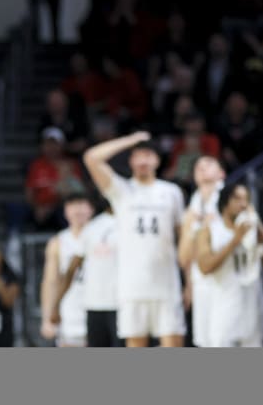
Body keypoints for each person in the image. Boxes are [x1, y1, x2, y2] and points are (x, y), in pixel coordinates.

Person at [84, 132, 186, 347]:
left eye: (148, 155)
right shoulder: (122, 190)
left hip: (167, 284)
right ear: (130, 160)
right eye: (138, 156)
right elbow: (92, 157)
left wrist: (189, 282)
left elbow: (182, 237)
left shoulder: (171, 192)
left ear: (157, 160)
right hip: (132, 286)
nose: (143, 161)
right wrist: (130, 140)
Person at [195, 183, 263, 347]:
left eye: (246, 199)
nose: (243, 204)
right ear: (224, 203)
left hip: (254, 313)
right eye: (237, 198)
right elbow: (204, 267)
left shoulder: (255, 230)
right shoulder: (210, 230)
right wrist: (235, 240)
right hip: (225, 313)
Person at [177, 156, 225, 347]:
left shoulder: (234, 199)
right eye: (198, 167)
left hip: (228, 282)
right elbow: (184, 257)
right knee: (204, 342)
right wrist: (189, 284)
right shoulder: (192, 207)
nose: (202, 169)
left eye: (208, 165)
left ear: (222, 173)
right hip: (201, 282)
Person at [42, 194, 93, 347]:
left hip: (98, 308)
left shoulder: (103, 235)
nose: (78, 210)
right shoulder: (58, 242)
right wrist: (47, 318)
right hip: (68, 313)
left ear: (91, 209)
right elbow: (50, 281)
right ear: (65, 211)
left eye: (82, 204)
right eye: (73, 205)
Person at [68, 200, 121, 347]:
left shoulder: (131, 221)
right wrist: (56, 303)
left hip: (124, 303)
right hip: (95, 304)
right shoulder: (93, 227)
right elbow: (73, 266)